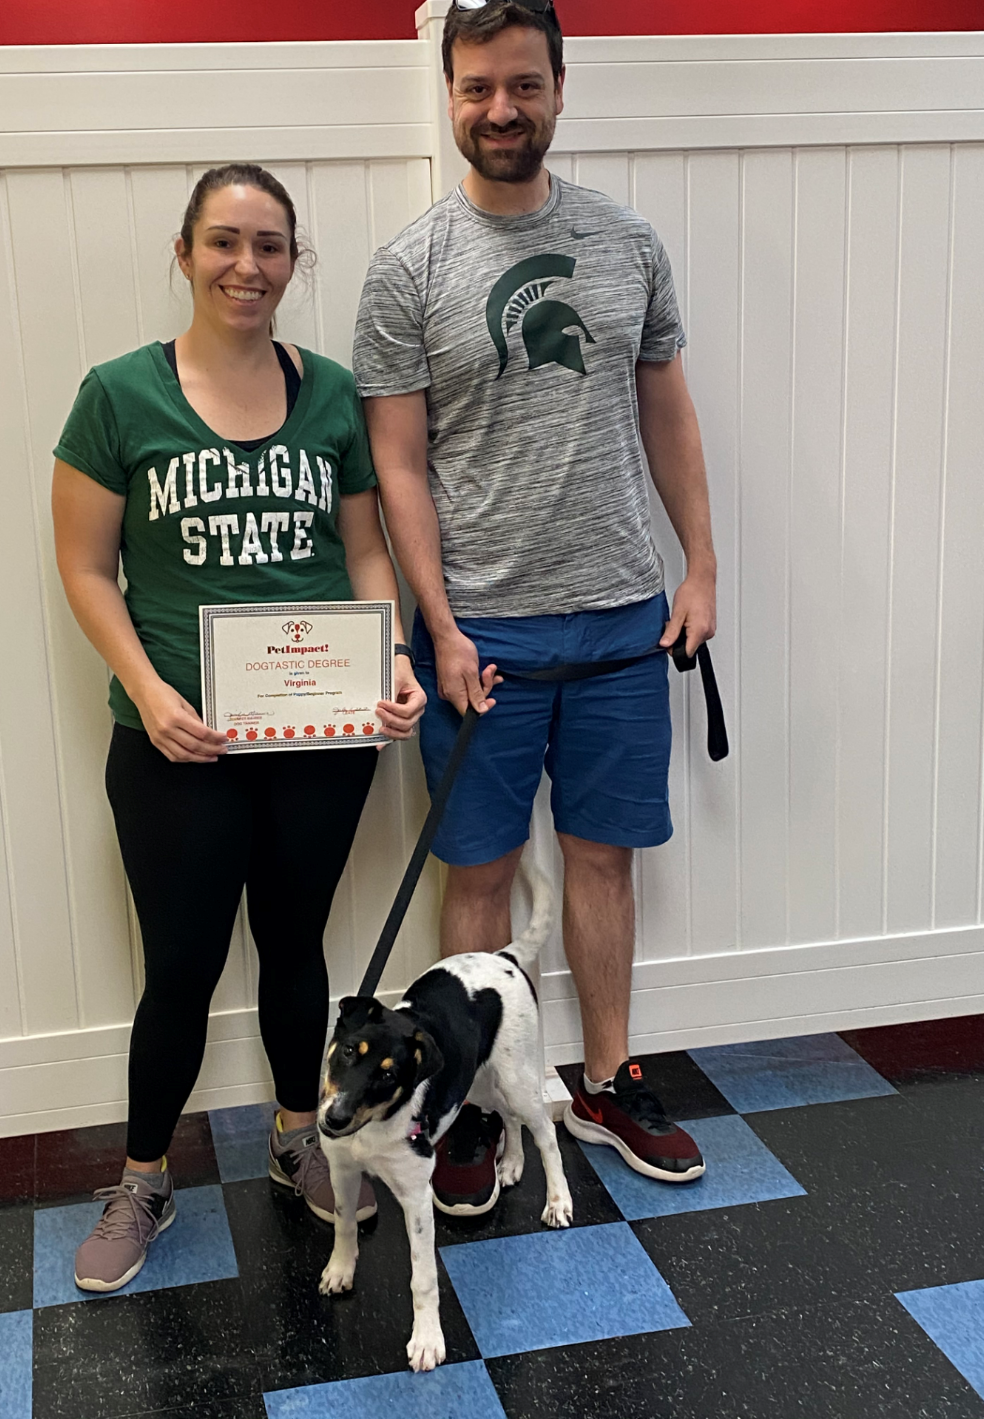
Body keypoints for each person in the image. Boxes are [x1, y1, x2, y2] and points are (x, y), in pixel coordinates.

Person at [353, 0, 715, 1210]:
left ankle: (606, 1081)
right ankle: (459, 1101)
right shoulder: (409, 267)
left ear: (561, 85)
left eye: (522, 85)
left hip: (621, 618)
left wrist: (700, 569)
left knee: (603, 863)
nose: (499, 111)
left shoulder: (627, 245)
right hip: (482, 641)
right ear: (447, 94)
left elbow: (666, 406)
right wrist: (438, 626)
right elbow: (397, 461)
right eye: (475, 90)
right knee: (479, 875)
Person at [52, 163, 426, 1292]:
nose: (246, 266)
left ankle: (295, 1133)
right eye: (223, 242)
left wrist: (391, 651)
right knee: (178, 965)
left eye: (269, 246)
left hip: (317, 736)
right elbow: (83, 565)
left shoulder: (328, 394)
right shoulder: (118, 395)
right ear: (185, 254)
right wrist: (149, 690)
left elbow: (365, 550)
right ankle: (144, 1177)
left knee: (297, 944)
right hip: (177, 742)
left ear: (292, 262)